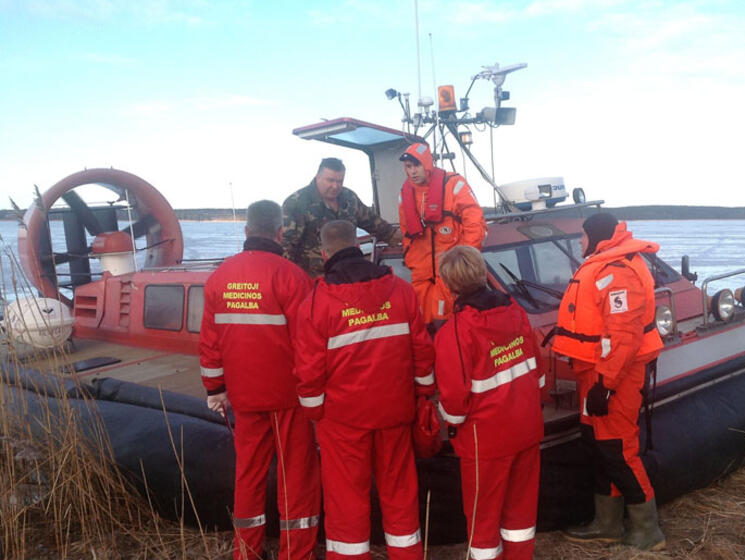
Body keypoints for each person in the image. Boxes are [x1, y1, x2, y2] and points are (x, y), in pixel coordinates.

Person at [294, 219, 436, 560]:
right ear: (359, 246)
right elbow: (422, 353)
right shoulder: (401, 290)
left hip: (342, 422)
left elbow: (309, 374)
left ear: (324, 254)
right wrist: (422, 395)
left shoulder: (315, 303)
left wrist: (316, 414)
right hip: (395, 413)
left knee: (346, 503)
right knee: (400, 496)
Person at [199, 200, 320, 560]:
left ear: (246, 231)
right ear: (281, 233)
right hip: (288, 398)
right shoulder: (292, 277)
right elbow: (308, 345)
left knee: (248, 475)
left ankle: (247, 551)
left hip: (244, 397)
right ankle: (295, 553)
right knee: (296, 477)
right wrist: (315, 392)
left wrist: (215, 389)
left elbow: (209, 343)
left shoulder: (219, 278)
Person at [552, 212, 665, 551]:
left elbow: (624, 337)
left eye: (583, 236)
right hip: (595, 373)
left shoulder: (617, 272)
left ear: (597, 236)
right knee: (598, 445)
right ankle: (607, 524)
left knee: (618, 450)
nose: (580, 242)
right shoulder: (604, 266)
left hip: (614, 375)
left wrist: (606, 385)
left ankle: (647, 531)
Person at [434, 245, 544, 560]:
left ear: (448, 285)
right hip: (526, 430)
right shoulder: (516, 311)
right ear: (483, 273)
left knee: (483, 522)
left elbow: (454, 402)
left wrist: (451, 424)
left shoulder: (455, 332)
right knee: (521, 516)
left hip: (485, 441)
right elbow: (537, 374)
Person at [397, 143, 487, 331]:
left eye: (417, 165)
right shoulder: (405, 194)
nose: (412, 171)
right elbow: (406, 233)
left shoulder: (454, 185)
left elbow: (475, 223)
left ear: (427, 163)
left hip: (450, 273)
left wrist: (464, 261)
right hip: (421, 275)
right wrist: (411, 260)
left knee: (451, 325)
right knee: (423, 326)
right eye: (408, 166)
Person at [282, 157, 401, 277]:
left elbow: (374, 224)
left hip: (350, 273)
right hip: (316, 277)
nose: (335, 186)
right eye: (330, 180)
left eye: (340, 181)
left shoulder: (349, 197)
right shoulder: (297, 203)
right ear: (318, 177)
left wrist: (401, 240)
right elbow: (287, 246)